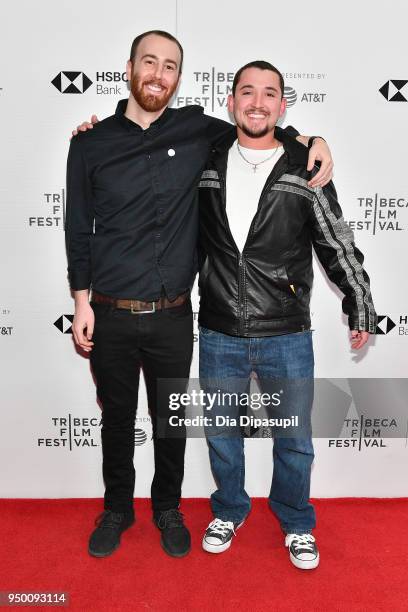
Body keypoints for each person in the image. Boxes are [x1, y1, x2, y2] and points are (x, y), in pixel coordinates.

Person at [66, 30, 334, 559]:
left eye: (169, 67)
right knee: (116, 419)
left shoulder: (198, 130)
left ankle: (168, 508)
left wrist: (311, 137)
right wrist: (80, 300)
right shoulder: (90, 143)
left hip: (173, 314)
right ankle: (117, 508)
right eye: (149, 62)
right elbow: (77, 227)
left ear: (178, 78)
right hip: (109, 310)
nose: (158, 74)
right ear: (129, 68)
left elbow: (259, 125)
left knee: (170, 420)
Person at [197, 61, 376, 569]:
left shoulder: (304, 165)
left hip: (287, 330)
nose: (258, 102)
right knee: (221, 433)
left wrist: (358, 301)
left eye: (269, 94)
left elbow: (335, 241)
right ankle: (229, 508)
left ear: (283, 104)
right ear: (230, 101)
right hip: (218, 329)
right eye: (247, 92)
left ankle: (296, 521)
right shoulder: (204, 159)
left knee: (294, 438)